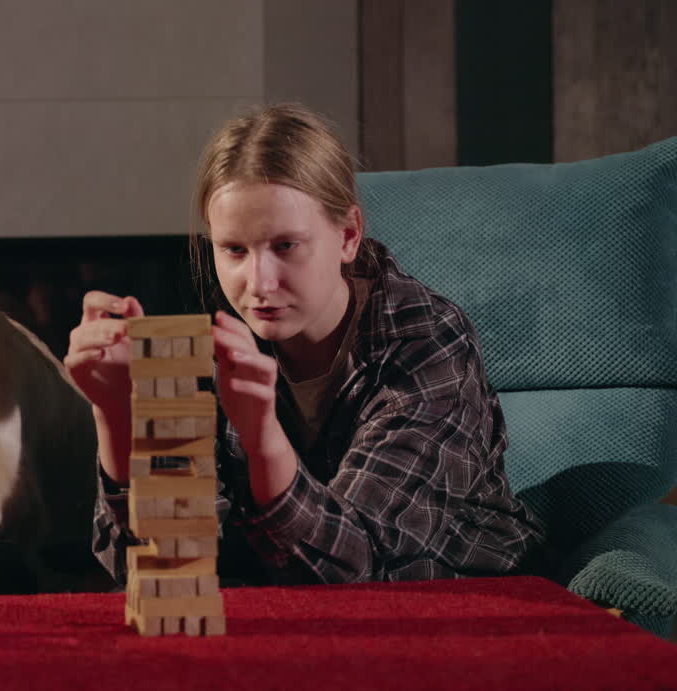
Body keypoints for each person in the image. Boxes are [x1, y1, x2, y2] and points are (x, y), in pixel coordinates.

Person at [66, 103, 546, 586]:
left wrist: (262, 439)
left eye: (285, 246)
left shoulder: (427, 342)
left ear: (349, 236)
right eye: (234, 250)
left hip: (460, 603)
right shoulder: (212, 346)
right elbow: (168, 567)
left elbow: (351, 568)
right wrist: (117, 414)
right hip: (280, 613)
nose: (259, 283)